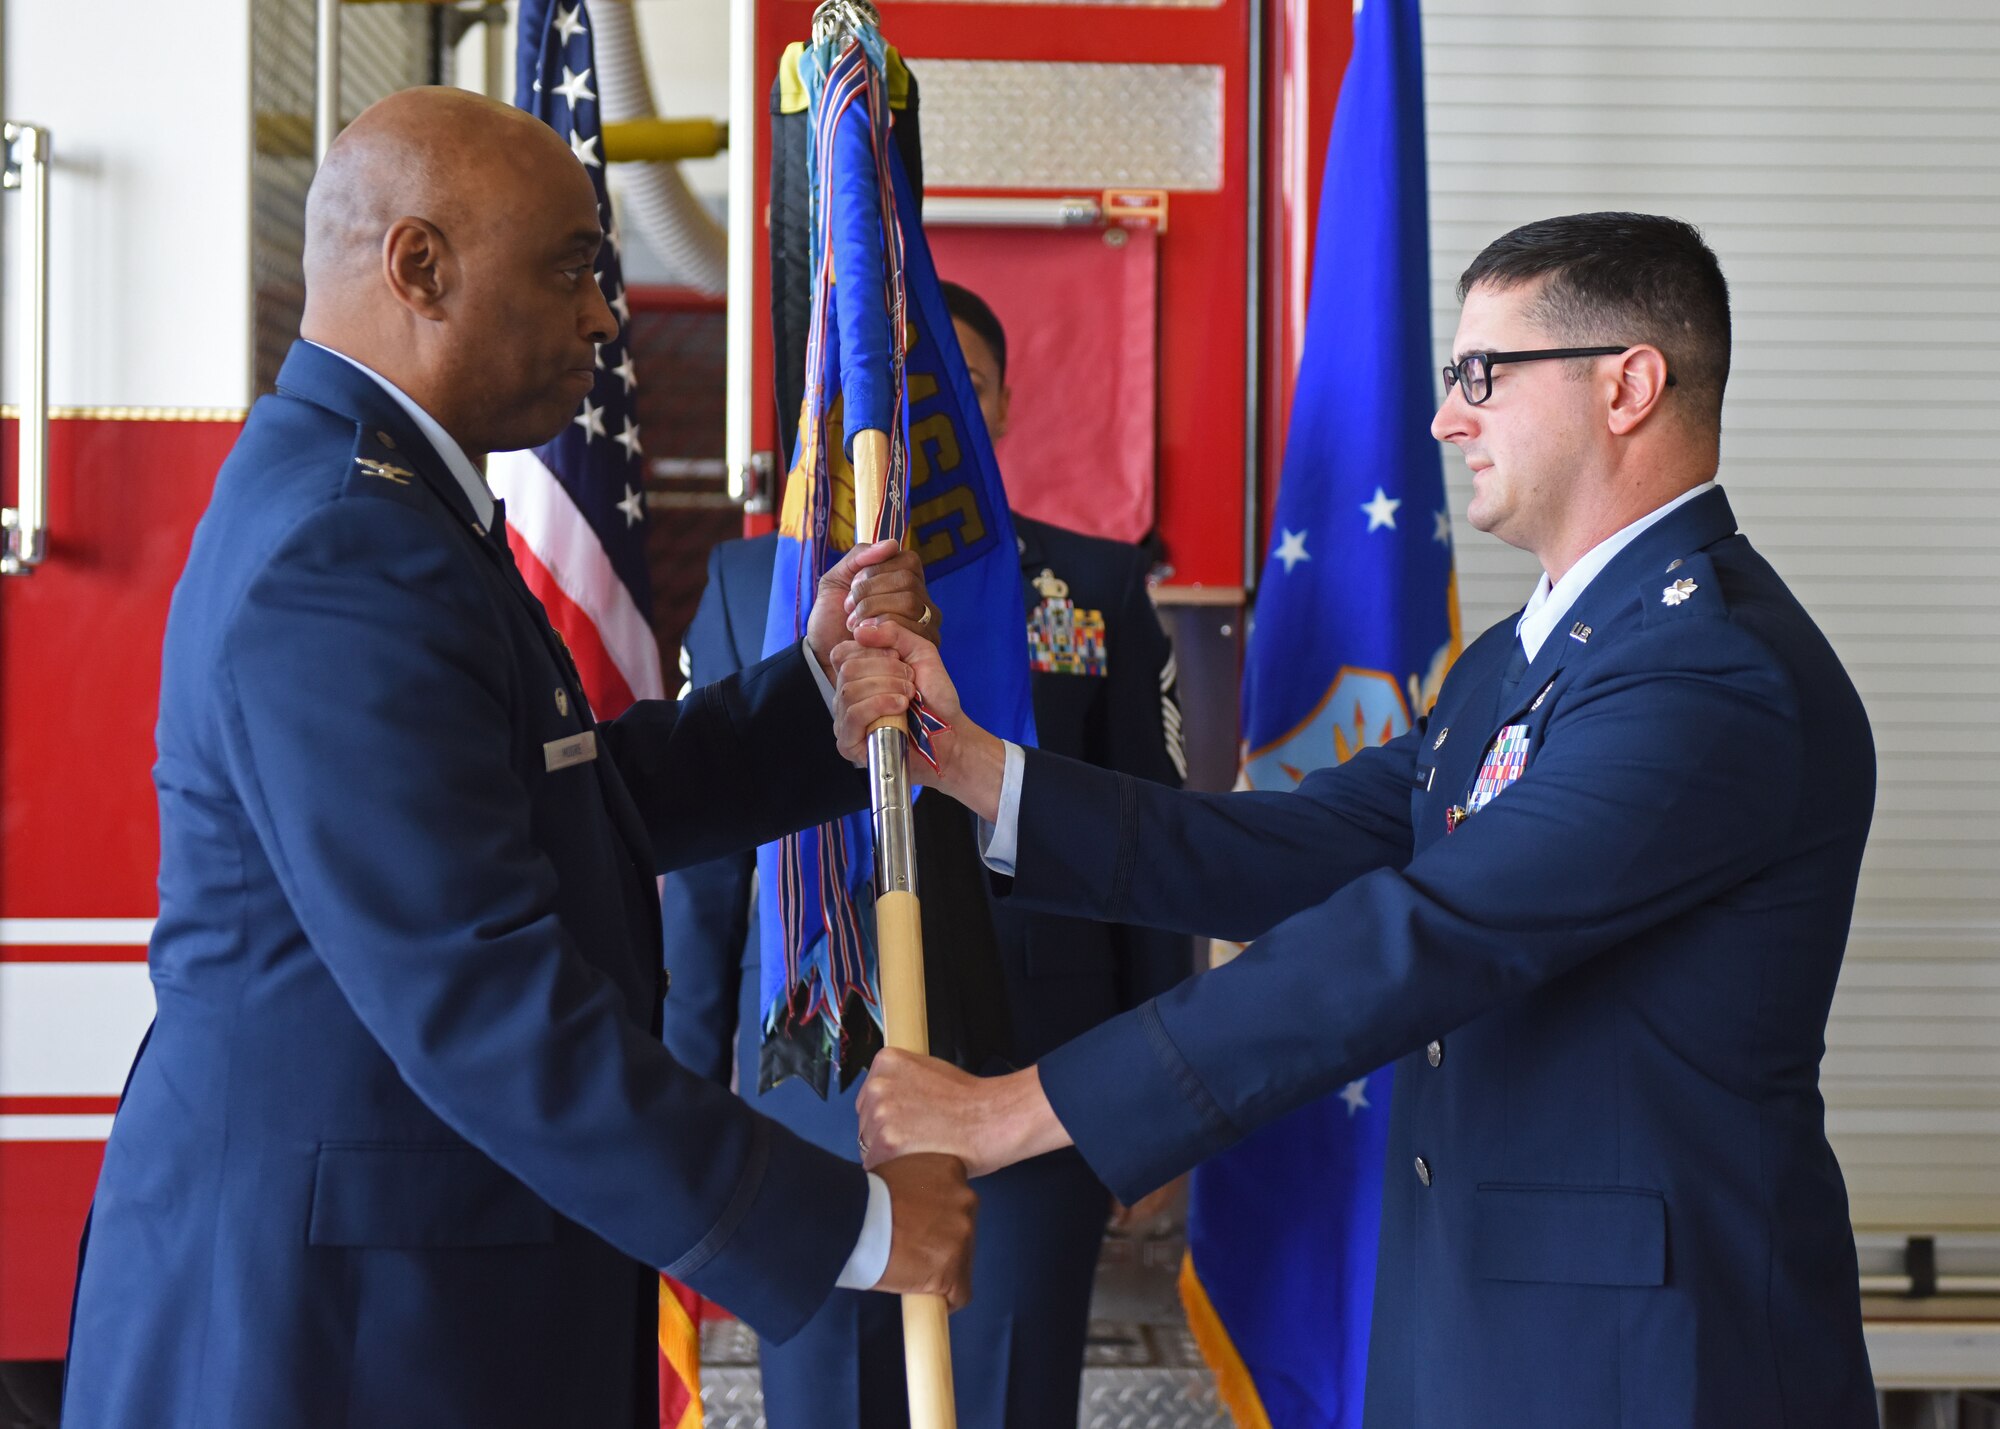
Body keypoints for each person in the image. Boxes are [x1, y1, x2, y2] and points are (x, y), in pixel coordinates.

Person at [837, 212, 1881, 1428]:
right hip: (1476, 1332)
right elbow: (1284, 850)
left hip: (1648, 1360)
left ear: (1626, 386)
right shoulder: (1516, 662)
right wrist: (964, 764)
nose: (1446, 417)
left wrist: (1018, 1108)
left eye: (1481, 376)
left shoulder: (1709, 674)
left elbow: (1420, 934)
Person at [60, 88, 977, 1429]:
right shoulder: (342, 547)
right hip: (339, 1335)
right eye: (570, 269)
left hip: (413, 1286)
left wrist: (813, 702)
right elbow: (477, 992)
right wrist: (846, 1222)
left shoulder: (383, 498)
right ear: (418, 267)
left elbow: (557, 799)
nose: (606, 318)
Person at [661, 281, 1190, 1428]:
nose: (903, 421)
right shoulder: (752, 586)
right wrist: (682, 1097)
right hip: (805, 1096)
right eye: (875, 392)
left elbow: (1152, 860)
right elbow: (704, 876)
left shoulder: (1087, 591)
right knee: (821, 1402)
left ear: (989, 412)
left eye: (949, 392)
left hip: (1031, 1083)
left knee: (1004, 1398)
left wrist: (1155, 1105)